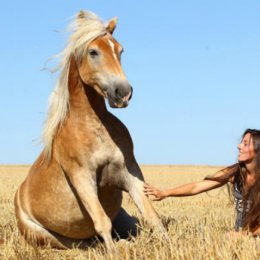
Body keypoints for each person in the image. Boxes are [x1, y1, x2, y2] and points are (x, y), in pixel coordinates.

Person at [143, 129, 260, 237]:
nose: (239, 146)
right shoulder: (234, 173)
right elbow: (196, 187)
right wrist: (164, 193)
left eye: (245, 144)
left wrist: (245, 235)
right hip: (237, 237)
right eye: (241, 142)